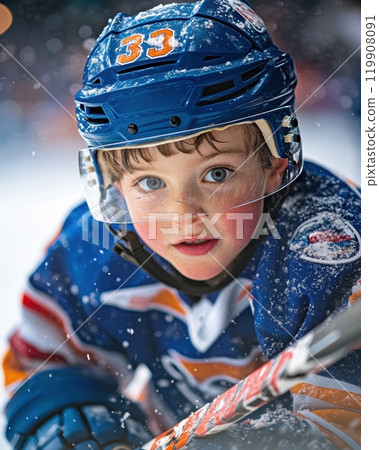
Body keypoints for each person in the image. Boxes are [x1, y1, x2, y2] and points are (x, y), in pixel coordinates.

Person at [3, 0, 361, 448]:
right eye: (150, 181)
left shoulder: (331, 244)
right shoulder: (89, 252)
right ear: (111, 183)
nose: (183, 214)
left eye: (217, 174)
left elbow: (354, 419)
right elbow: (41, 363)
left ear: (275, 161)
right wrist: (70, 417)